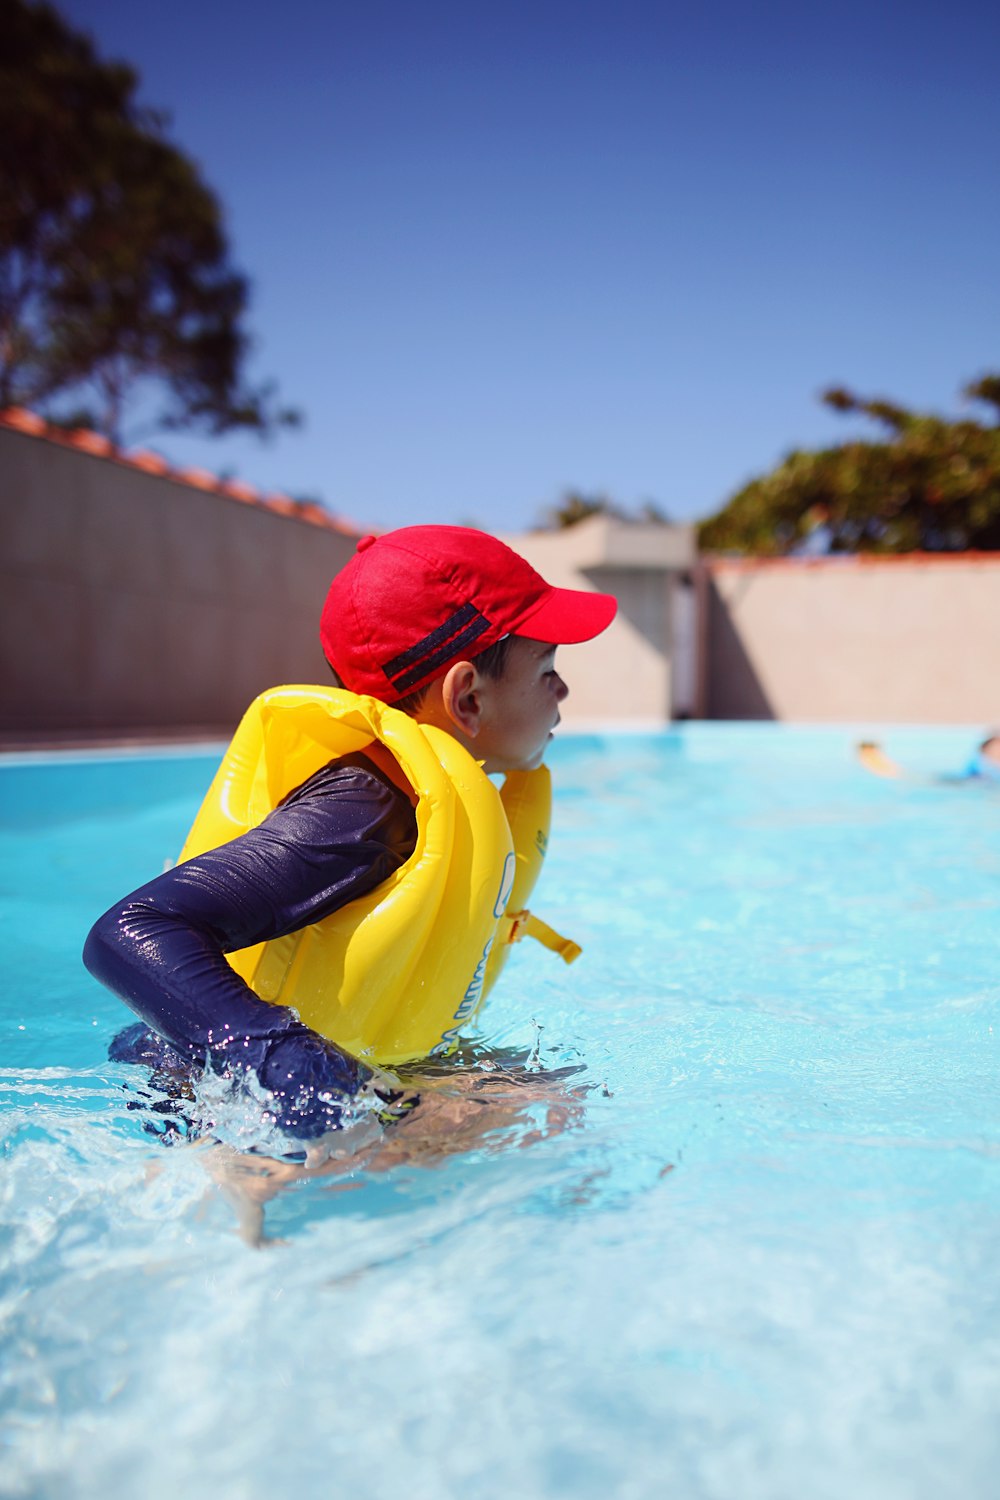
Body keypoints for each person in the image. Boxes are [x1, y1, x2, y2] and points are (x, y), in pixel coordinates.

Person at [84, 525, 617, 1148]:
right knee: (546, 1111)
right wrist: (306, 1077)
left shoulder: (412, 798)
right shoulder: (360, 811)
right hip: (203, 1098)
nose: (563, 690)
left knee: (554, 1094)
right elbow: (131, 931)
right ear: (467, 697)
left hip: (277, 1075)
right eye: (548, 668)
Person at [856, 733, 1000, 783]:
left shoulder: (986, 767)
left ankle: (898, 773)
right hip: (964, 782)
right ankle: (897, 772)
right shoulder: (980, 766)